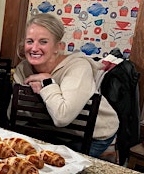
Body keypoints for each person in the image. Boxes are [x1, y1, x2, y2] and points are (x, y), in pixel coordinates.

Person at [13, 13, 119, 158]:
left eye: (43, 42)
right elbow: (15, 116)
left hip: (91, 137)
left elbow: (62, 117)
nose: (34, 48)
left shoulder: (78, 66)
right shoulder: (23, 69)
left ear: (58, 46)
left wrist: (47, 82)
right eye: (30, 41)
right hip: (49, 134)